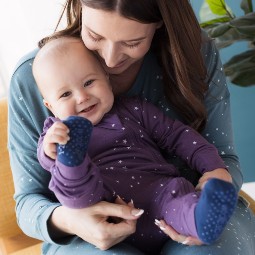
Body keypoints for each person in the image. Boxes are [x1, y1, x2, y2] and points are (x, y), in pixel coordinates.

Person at [8, 0, 255, 254]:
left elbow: (213, 153)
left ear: (159, 22)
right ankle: (74, 162)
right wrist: (71, 220)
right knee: (77, 182)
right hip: (92, 215)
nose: (110, 59)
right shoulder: (37, 76)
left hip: (172, 198)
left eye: (132, 43)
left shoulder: (188, 60)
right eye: (95, 36)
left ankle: (199, 218)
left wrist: (215, 178)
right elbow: (28, 201)